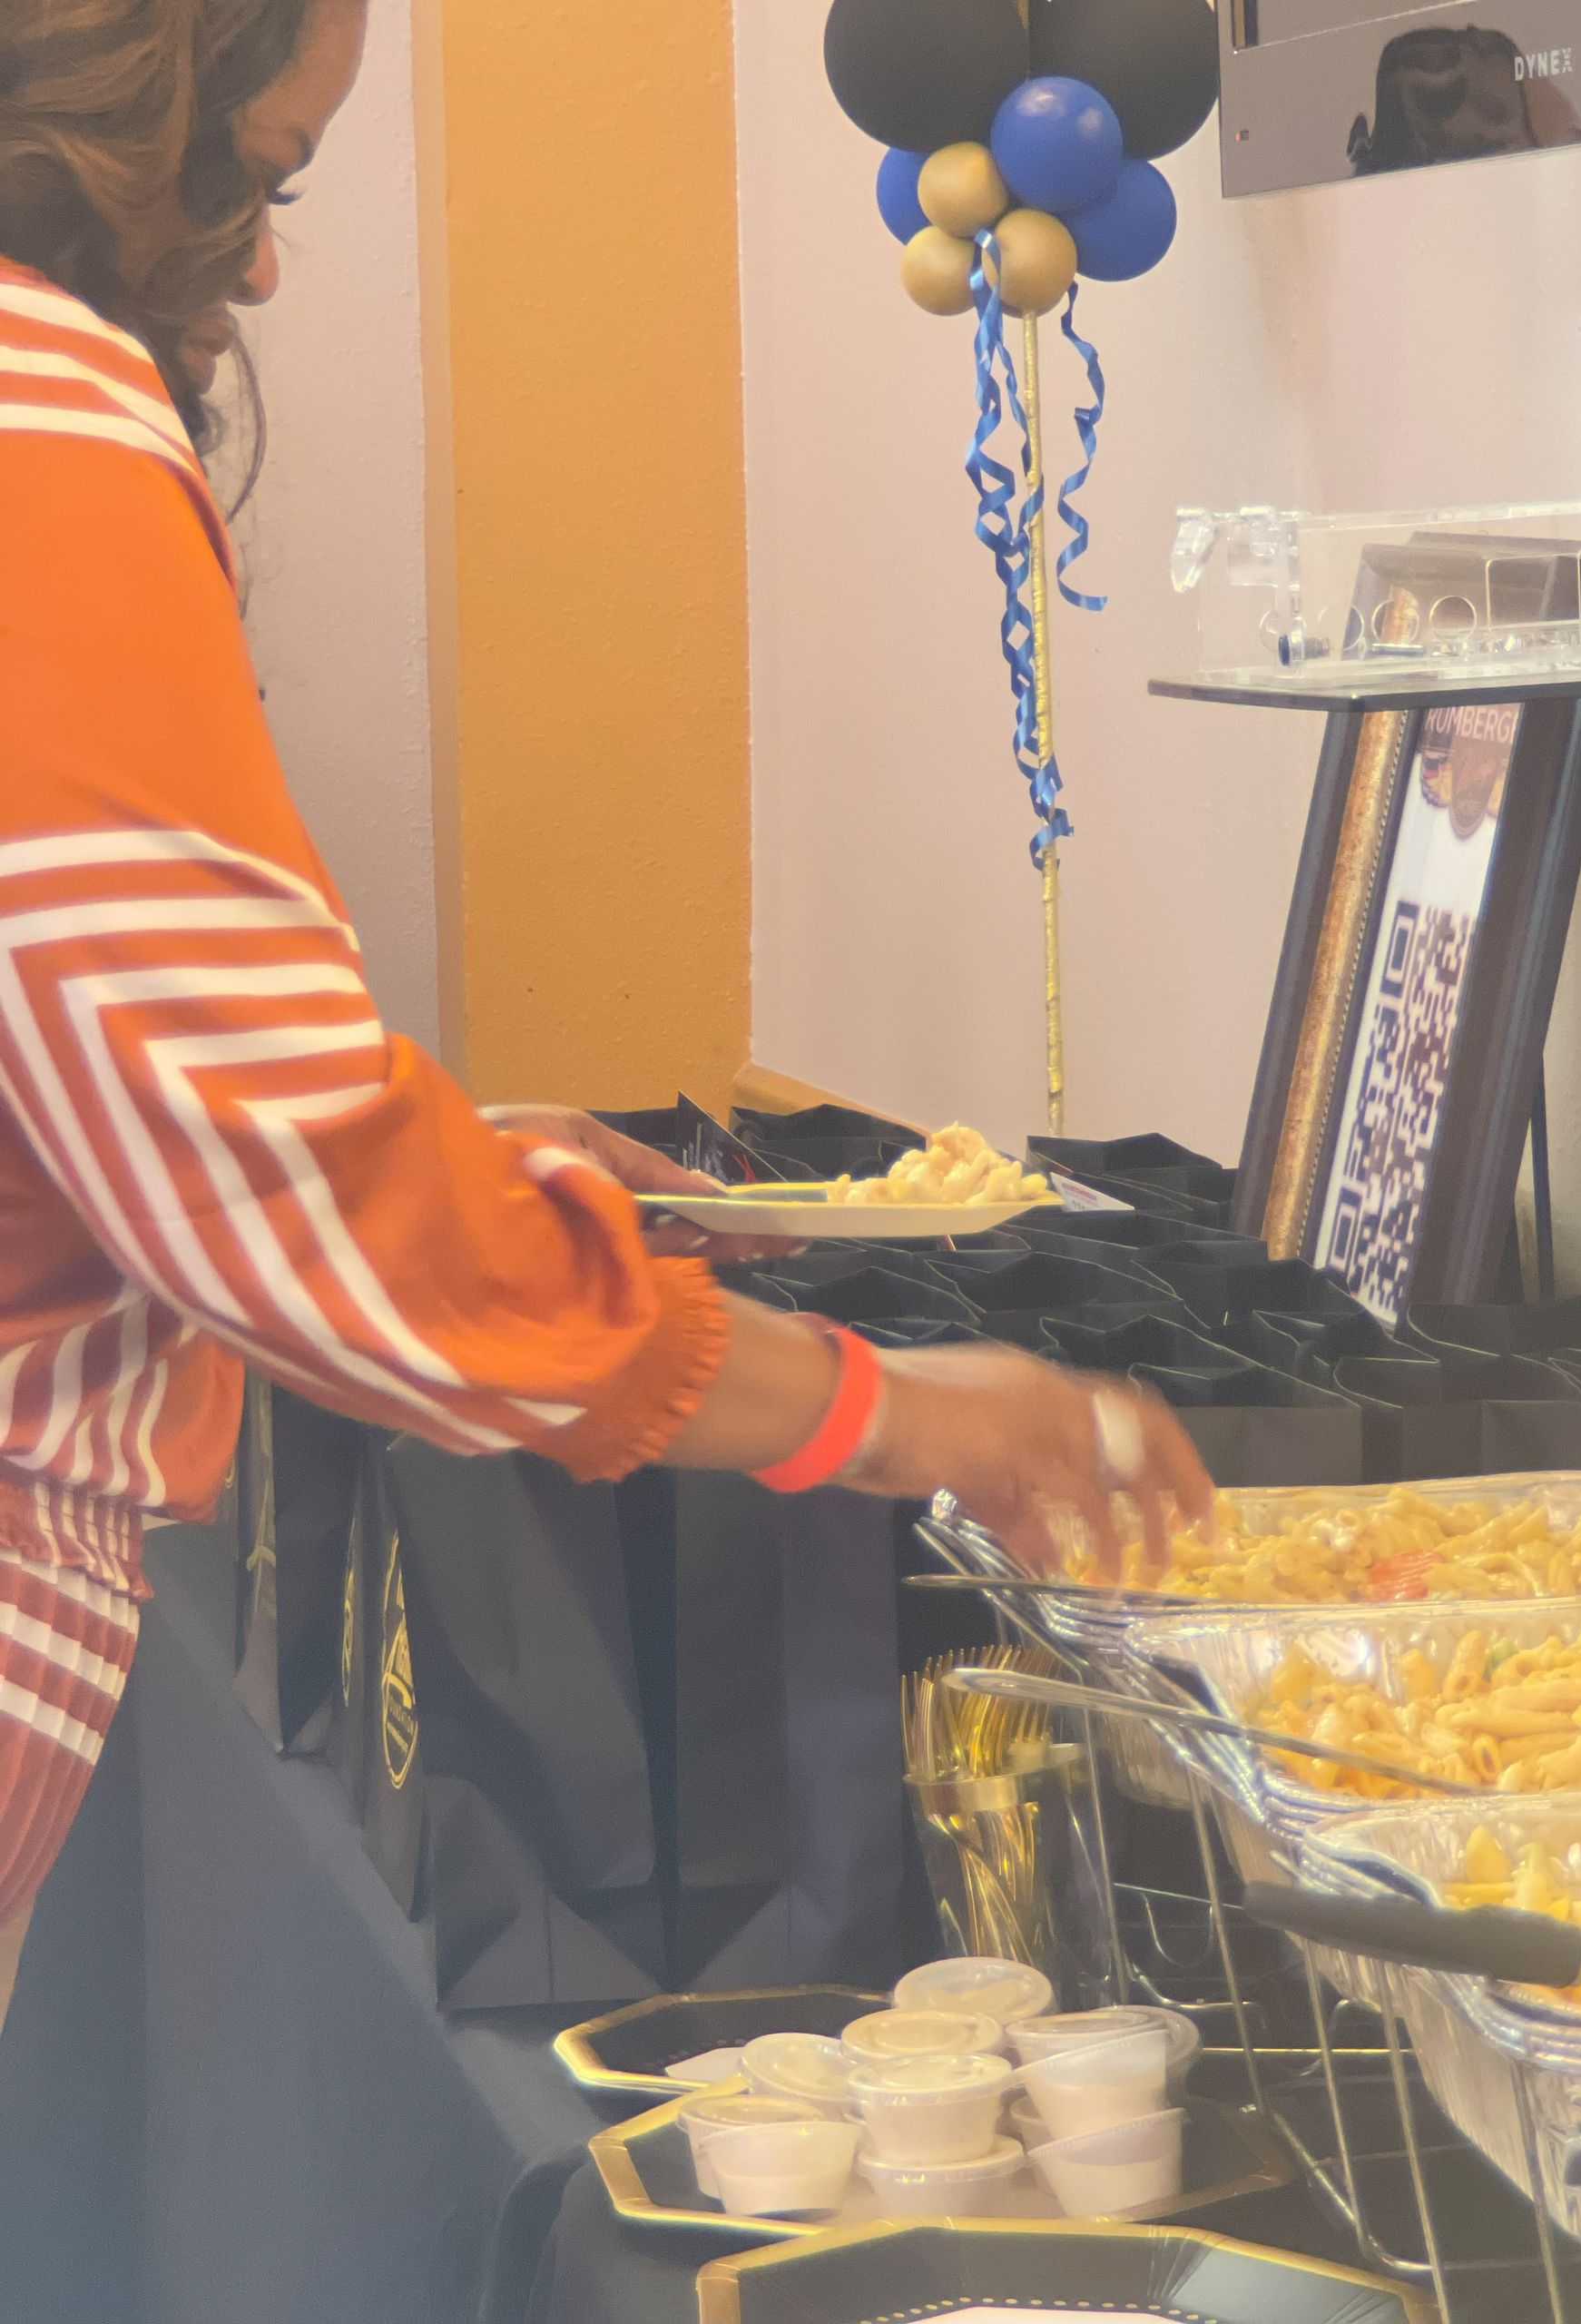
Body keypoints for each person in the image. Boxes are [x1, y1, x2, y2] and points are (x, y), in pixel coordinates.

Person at [0, 0, 1212, 2012]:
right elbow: (294, 1195)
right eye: (274, 175)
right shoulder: (43, 443)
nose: (276, 257)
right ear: (125, 102)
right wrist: (893, 1408)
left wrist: (472, 1169)